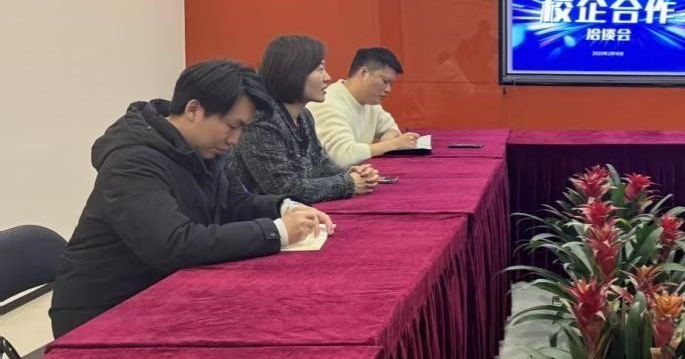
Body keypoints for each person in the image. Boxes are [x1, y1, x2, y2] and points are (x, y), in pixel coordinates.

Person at [50, 60, 334, 337]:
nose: (235, 139)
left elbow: (237, 203)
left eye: (242, 129)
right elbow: (174, 244)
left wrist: (285, 207)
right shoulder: (132, 162)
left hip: (164, 291)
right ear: (194, 110)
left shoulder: (202, 149)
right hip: (103, 313)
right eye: (232, 126)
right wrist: (277, 231)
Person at [229, 36, 379, 203]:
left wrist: (351, 174)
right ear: (294, 73)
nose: (328, 77)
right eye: (320, 69)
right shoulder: (262, 121)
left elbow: (319, 163)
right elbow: (284, 188)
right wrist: (347, 184)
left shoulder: (304, 115)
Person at [310, 47, 420, 167]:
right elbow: (342, 156)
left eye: (391, 84)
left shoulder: (369, 102)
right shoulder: (327, 103)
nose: (388, 89)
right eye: (385, 81)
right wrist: (392, 144)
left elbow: (390, 127)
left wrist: (389, 138)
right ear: (364, 73)